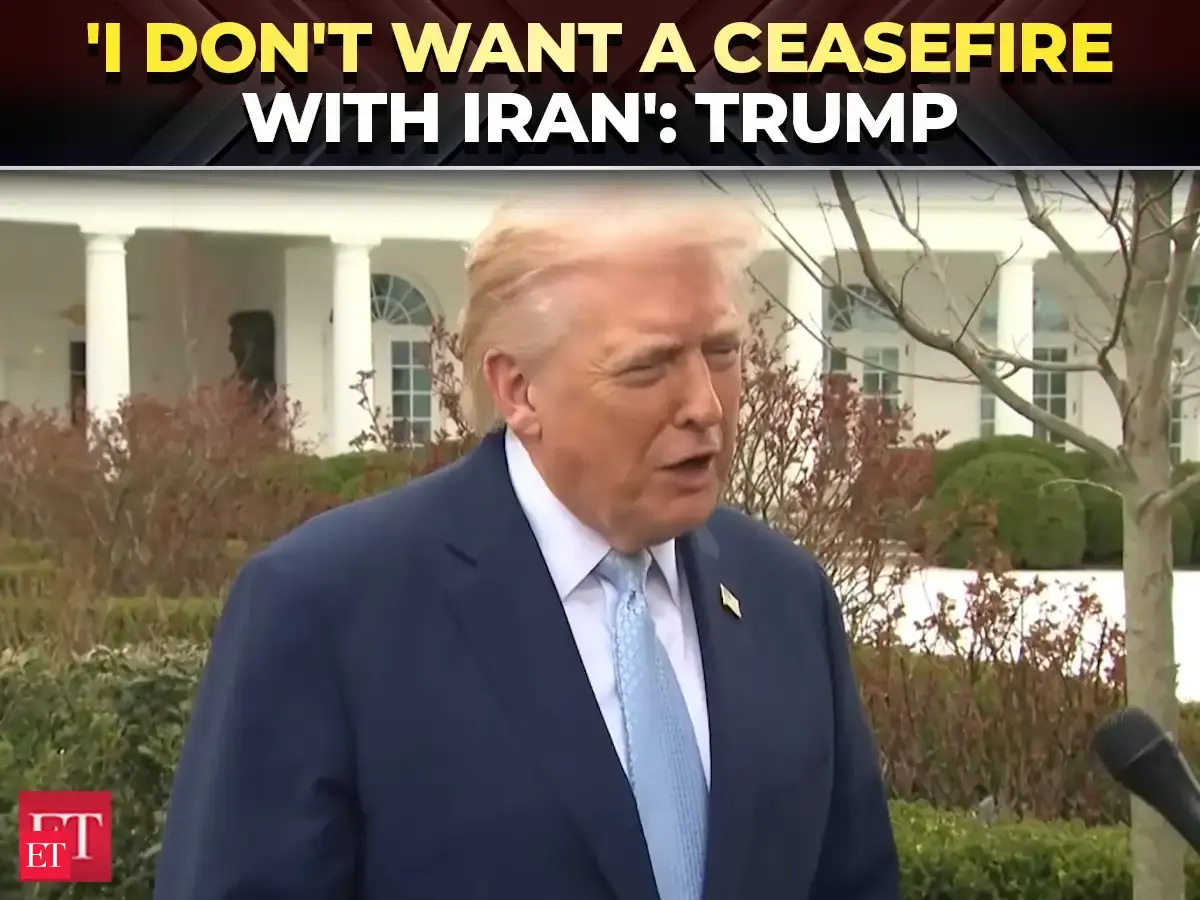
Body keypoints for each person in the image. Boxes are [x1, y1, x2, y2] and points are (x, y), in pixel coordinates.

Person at [154, 193, 900, 900]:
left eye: (723, 351)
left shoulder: (785, 594)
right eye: (648, 365)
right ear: (519, 390)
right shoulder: (327, 607)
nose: (705, 405)